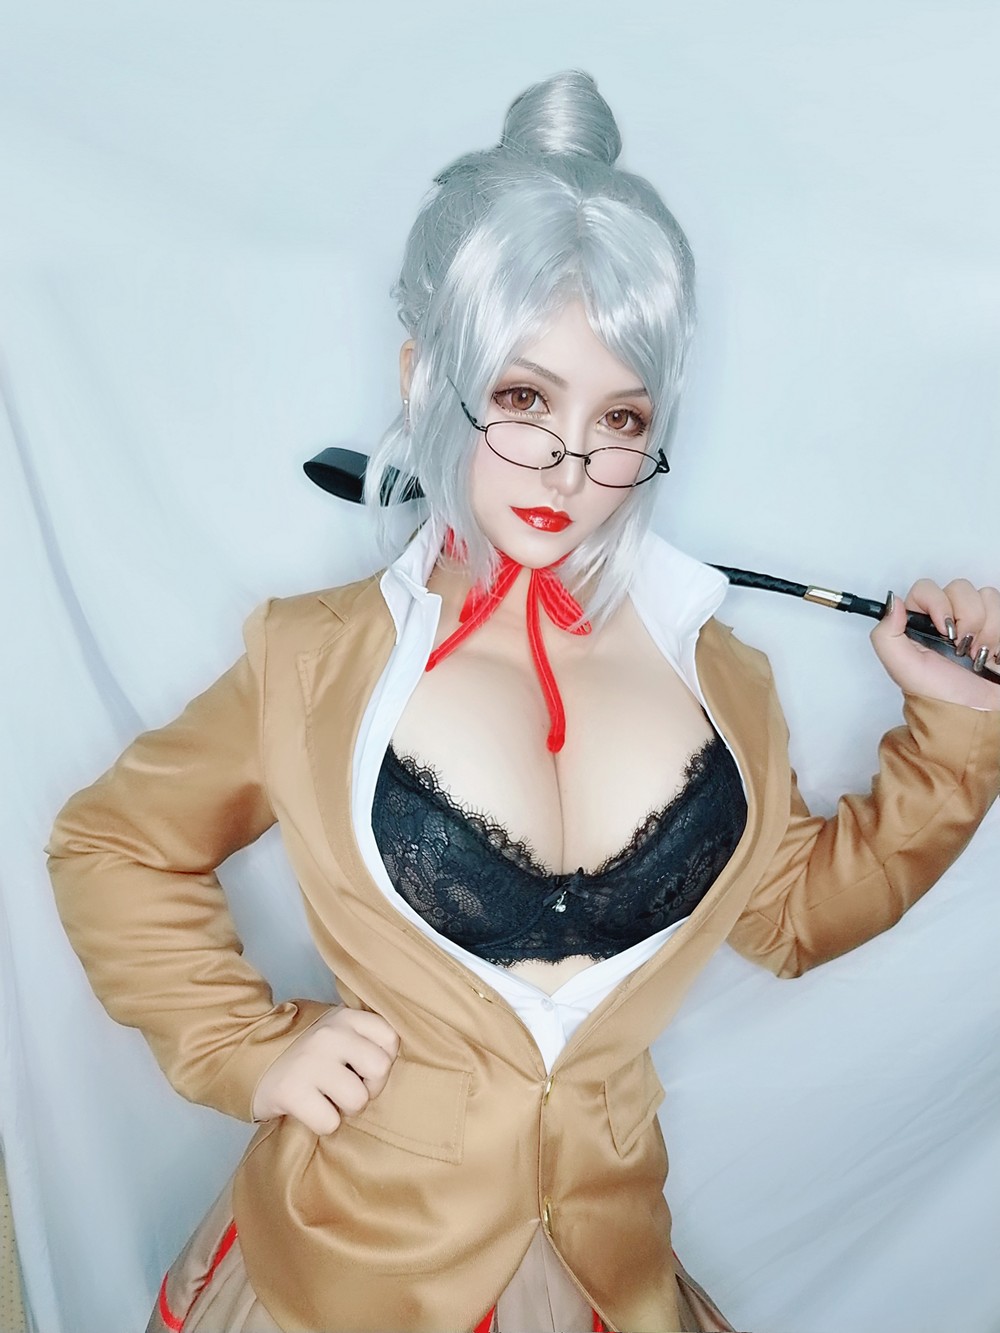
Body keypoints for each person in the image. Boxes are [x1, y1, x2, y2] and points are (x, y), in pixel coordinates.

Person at [46, 71, 1000, 1333]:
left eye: (620, 417)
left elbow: (791, 916)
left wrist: (954, 732)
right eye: (521, 400)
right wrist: (245, 1044)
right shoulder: (314, 660)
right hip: (345, 1266)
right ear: (423, 376)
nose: (570, 464)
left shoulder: (720, 676)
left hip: (611, 1265)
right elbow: (113, 843)